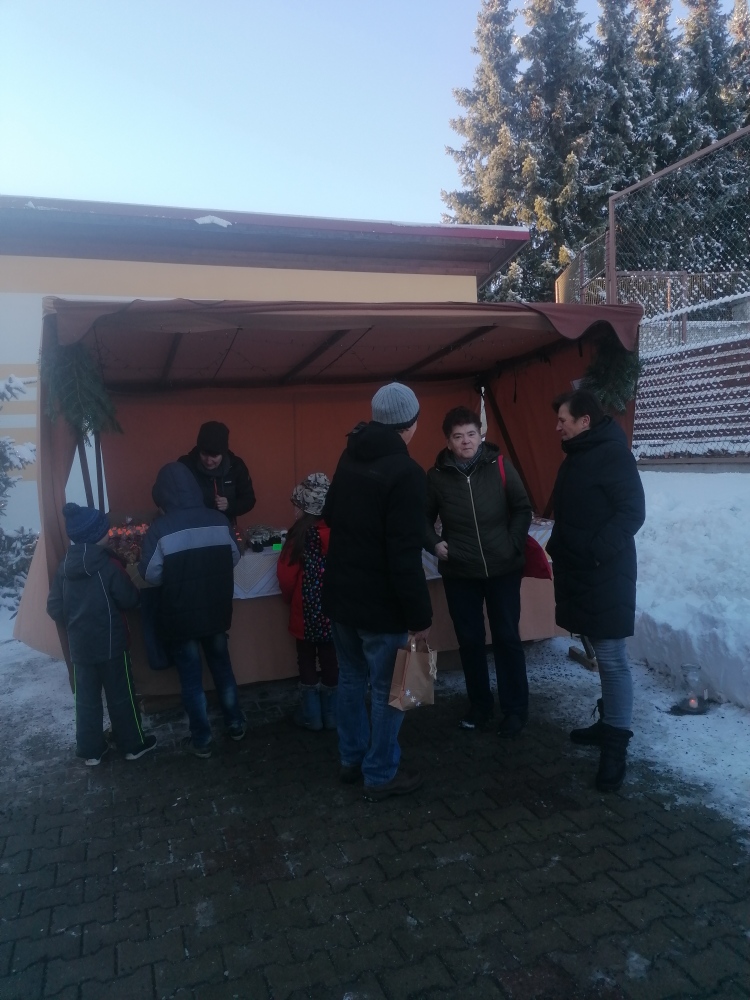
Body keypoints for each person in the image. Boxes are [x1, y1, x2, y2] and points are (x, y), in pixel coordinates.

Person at [323, 382, 432, 802]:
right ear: (411, 423)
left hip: (341, 595)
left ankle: (351, 759)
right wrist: (420, 617)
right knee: (392, 688)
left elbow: (330, 513)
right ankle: (381, 773)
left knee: (351, 678)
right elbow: (405, 556)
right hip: (381, 605)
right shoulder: (407, 473)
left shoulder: (349, 454)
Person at [547, 389, 646, 792]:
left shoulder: (613, 455)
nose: (557, 427)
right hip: (585, 571)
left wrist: (596, 552)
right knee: (603, 655)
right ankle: (608, 723)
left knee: (612, 658)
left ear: (585, 421)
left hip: (607, 573)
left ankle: (615, 748)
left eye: (563, 420)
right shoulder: (578, 454)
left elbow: (632, 512)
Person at [426, 406, 533, 737]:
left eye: (471, 434)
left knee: (507, 637)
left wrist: (512, 544)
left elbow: (522, 507)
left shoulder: (499, 464)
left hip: (503, 569)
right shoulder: (436, 477)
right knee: (470, 640)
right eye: (458, 436)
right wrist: (434, 543)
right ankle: (480, 705)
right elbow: (421, 519)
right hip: (460, 571)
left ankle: (515, 709)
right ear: (448, 441)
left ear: (480, 436)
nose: (466, 441)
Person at [139, 462, 246, 757]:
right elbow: (234, 558)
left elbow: (150, 575)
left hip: (180, 615)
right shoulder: (219, 520)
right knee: (222, 668)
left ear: (162, 496)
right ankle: (236, 724)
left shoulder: (160, 529)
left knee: (190, 679)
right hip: (216, 612)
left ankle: (202, 740)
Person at [46, 503, 157, 765]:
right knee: (121, 695)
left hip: (80, 648)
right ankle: (132, 744)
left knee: (86, 700)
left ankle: (91, 750)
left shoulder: (63, 568)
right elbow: (129, 599)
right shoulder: (109, 565)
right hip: (112, 644)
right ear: (98, 535)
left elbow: (54, 608)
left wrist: (77, 619)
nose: (108, 533)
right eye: (105, 530)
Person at [277, 472, 338, 732]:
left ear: (306, 509)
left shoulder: (297, 537)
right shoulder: (339, 532)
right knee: (331, 660)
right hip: (333, 610)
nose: (294, 511)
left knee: (305, 659)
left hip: (305, 610)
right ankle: (333, 715)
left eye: (297, 506)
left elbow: (286, 576)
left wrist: (289, 599)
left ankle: (312, 715)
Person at [178, 420, 256, 525]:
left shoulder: (236, 466)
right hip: (191, 527)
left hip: (224, 527)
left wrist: (229, 505)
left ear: (223, 453)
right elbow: (169, 497)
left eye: (214, 456)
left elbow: (249, 500)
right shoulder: (185, 465)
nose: (208, 461)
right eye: (204, 454)